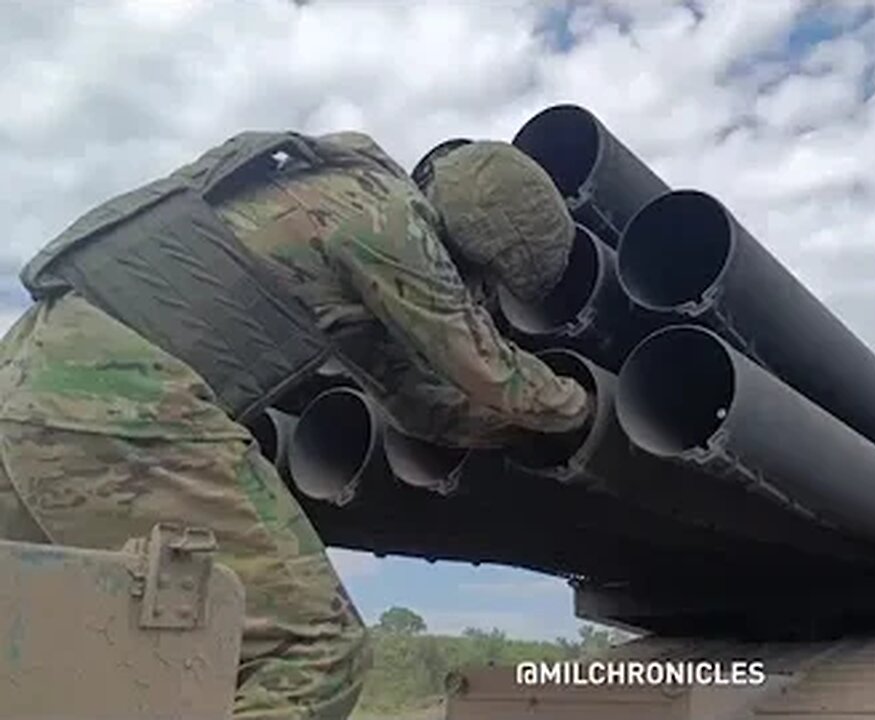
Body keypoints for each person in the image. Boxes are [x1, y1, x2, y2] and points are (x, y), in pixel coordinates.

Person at [0, 130, 592, 718]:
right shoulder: (385, 216)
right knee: (317, 649)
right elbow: (491, 370)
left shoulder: (324, 198)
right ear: (481, 242)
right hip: (121, 395)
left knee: (40, 626)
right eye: (487, 281)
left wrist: (511, 430)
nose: (482, 296)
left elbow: (417, 402)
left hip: (29, 385)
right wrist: (580, 408)